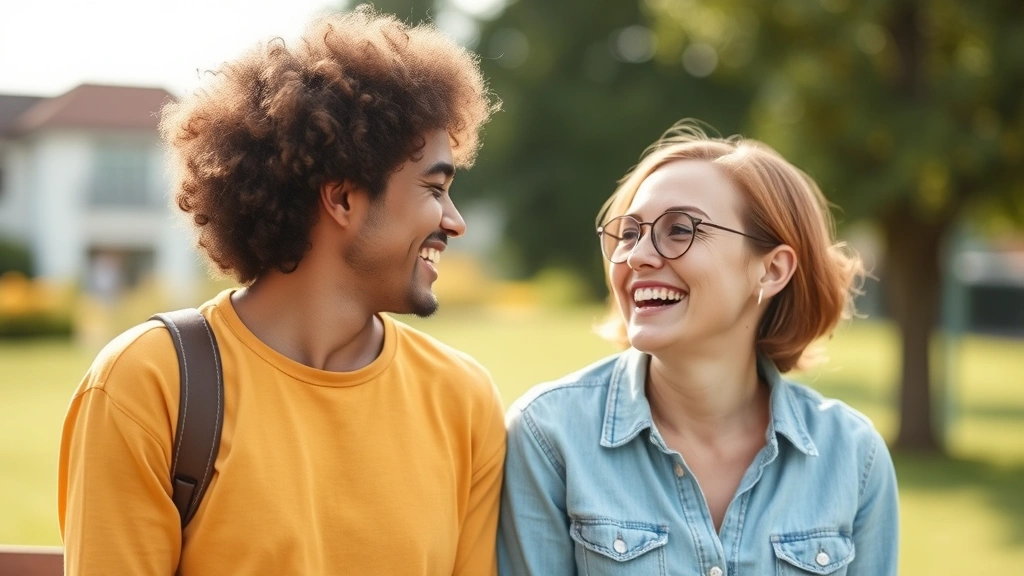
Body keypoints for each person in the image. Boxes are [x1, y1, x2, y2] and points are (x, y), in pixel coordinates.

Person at [58, 8, 505, 575]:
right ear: (342, 198)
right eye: (434, 188)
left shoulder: (463, 399)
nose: (455, 221)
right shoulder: (148, 384)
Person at [498, 121, 899, 575]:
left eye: (680, 229)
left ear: (771, 270)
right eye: (630, 233)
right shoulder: (549, 436)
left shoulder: (855, 457)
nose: (638, 256)